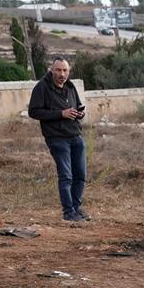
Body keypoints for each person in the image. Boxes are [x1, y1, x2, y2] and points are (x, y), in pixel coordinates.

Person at [28, 56, 89, 222]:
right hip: (57, 138)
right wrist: (60, 114)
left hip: (75, 135)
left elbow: (76, 106)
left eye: (65, 70)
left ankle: (76, 208)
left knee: (81, 175)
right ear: (51, 70)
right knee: (66, 176)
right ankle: (68, 212)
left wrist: (79, 113)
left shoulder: (70, 86)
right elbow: (33, 112)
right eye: (58, 70)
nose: (62, 74)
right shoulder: (42, 87)